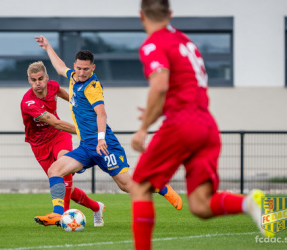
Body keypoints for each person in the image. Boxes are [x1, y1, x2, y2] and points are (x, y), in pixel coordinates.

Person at [130, 0, 274, 249]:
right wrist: (158, 110)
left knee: (139, 185)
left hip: (182, 123)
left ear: (141, 16)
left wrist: (143, 129)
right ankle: (251, 202)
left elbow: (161, 85)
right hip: (206, 125)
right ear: (170, 14)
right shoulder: (187, 43)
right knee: (200, 205)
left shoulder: (153, 43)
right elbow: (183, 87)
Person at [33, 35, 183, 227]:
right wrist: (47, 47)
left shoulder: (92, 87)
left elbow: (101, 114)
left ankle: (160, 186)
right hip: (87, 146)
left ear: (93, 68)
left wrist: (101, 139)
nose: (81, 72)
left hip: (105, 145)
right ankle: (56, 213)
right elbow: (60, 67)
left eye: (86, 69)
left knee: (127, 186)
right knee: (55, 169)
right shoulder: (73, 76)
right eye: (78, 68)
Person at [21, 61, 104, 227]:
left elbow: (73, 100)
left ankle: (60, 214)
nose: (38, 83)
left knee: (63, 168)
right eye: (34, 80)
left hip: (59, 136)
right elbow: (55, 122)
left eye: (40, 78)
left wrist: (88, 110)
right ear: (29, 81)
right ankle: (96, 207)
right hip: (39, 144)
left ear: (47, 78)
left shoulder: (53, 86)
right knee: (65, 187)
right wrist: (84, 131)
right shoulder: (28, 102)